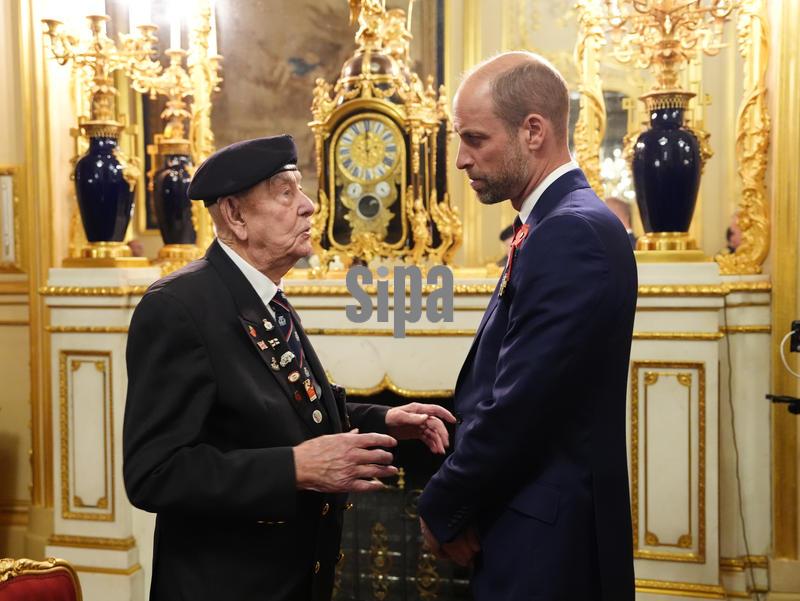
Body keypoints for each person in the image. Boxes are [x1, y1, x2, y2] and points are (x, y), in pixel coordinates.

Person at [122, 135, 456, 601]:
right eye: (286, 192)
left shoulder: (265, 297)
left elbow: (294, 410)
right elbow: (153, 473)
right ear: (235, 215)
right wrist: (293, 469)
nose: (309, 206)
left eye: (301, 189)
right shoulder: (177, 307)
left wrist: (385, 420)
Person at [417, 52, 637, 601]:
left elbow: (522, 404)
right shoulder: (556, 223)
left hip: (547, 545)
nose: (462, 160)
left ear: (533, 131)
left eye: (474, 139)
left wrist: (440, 504)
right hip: (533, 524)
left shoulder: (570, 232)